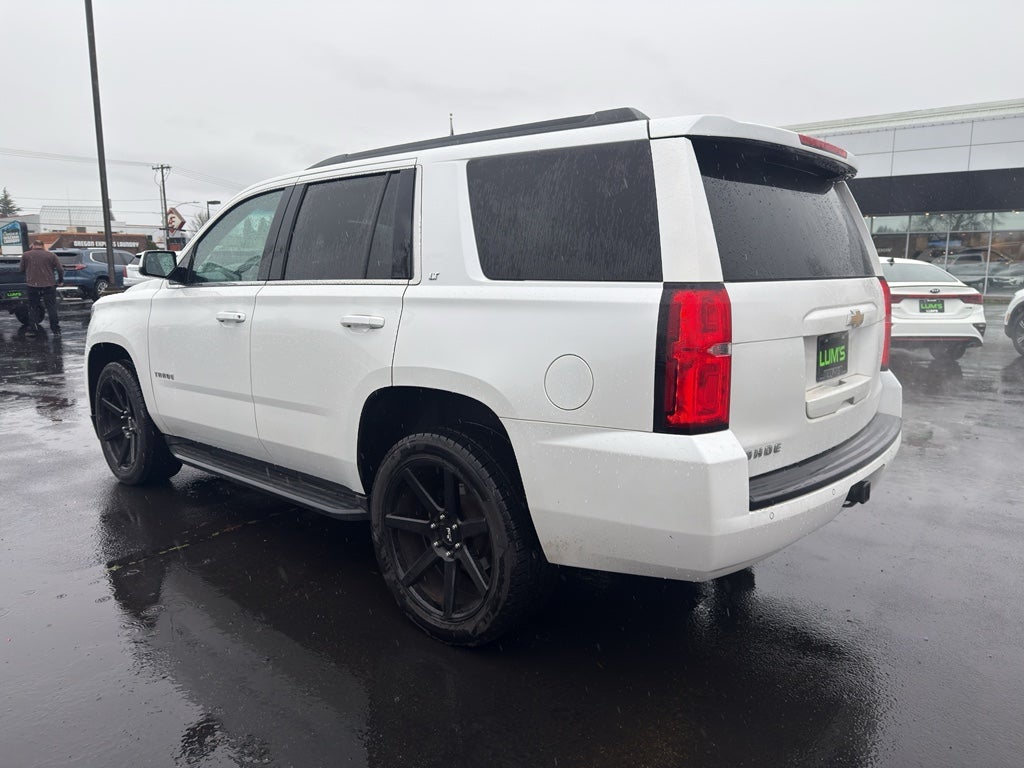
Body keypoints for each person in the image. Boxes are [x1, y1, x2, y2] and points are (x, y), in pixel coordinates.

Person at [19, 239, 64, 336]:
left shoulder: (26, 255)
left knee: (33, 307)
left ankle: (32, 329)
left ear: (33, 246)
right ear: (43, 246)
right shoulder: (51, 255)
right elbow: (60, 269)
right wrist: (60, 281)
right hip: (49, 285)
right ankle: (56, 329)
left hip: (32, 285)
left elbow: (21, 269)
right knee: (51, 307)